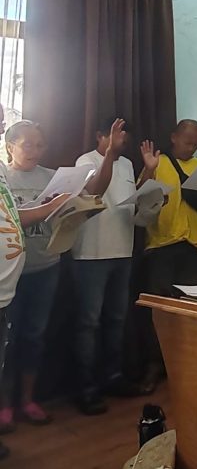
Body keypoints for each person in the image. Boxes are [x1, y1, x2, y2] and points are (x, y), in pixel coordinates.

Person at [72, 118, 159, 416]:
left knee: (116, 320)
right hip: (90, 254)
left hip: (122, 251)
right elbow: (95, 190)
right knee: (88, 324)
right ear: (100, 136)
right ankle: (86, 388)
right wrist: (109, 154)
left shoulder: (127, 164)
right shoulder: (86, 160)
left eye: (124, 138)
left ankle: (112, 378)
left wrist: (149, 171)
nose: (123, 142)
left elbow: (133, 198)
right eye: (117, 137)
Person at [0, 105, 70, 460]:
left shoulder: (52, 177)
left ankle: (28, 400)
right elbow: (14, 219)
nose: (35, 151)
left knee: (34, 337)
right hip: (10, 275)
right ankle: (4, 405)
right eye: (28, 144)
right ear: (10, 145)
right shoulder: (3, 179)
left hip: (46, 266)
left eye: (40, 145)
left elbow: (64, 216)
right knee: (7, 342)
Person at [138, 119, 197, 392]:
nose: (192, 146)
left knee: (187, 309)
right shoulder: (158, 161)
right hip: (162, 243)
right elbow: (139, 197)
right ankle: (154, 364)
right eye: (187, 141)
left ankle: (183, 364)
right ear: (173, 137)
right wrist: (149, 172)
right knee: (159, 309)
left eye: (196, 143)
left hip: (193, 243)